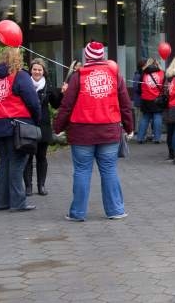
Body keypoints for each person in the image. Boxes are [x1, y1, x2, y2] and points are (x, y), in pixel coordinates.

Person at [54, 41, 133, 221]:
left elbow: (67, 105)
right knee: (109, 170)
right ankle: (115, 210)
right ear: (103, 56)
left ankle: (78, 213)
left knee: (82, 171)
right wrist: (129, 127)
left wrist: (58, 127)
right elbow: (125, 104)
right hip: (109, 131)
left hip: (82, 132)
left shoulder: (78, 76)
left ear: (87, 57)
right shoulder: (114, 74)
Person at [0, 48, 41, 211]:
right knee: (17, 163)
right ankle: (18, 202)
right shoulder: (20, 75)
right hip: (17, 124)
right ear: (17, 59)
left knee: (4, 162)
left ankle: (1, 201)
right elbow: (33, 101)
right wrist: (35, 120)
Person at [23, 58, 62, 196]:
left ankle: (41, 186)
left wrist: (62, 93)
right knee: (27, 156)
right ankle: (28, 187)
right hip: (28, 124)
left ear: (43, 71)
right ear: (31, 70)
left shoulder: (48, 86)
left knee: (41, 157)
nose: (37, 72)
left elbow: (56, 104)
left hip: (43, 125)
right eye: (34, 69)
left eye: (39, 70)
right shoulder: (25, 84)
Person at [136, 58, 164, 145]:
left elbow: (139, 87)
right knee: (157, 117)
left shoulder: (143, 73)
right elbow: (164, 87)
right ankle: (157, 138)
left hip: (145, 99)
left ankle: (140, 138)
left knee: (145, 118)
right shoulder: (162, 73)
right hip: (157, 99)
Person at [131, 59, 146, 131]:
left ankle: (139, 131)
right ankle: (138, 131)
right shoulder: (138, 75)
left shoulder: (138, 74)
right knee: (139, 117)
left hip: (139, 99)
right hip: (139, 99)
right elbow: (136, 88)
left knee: (139, 116)